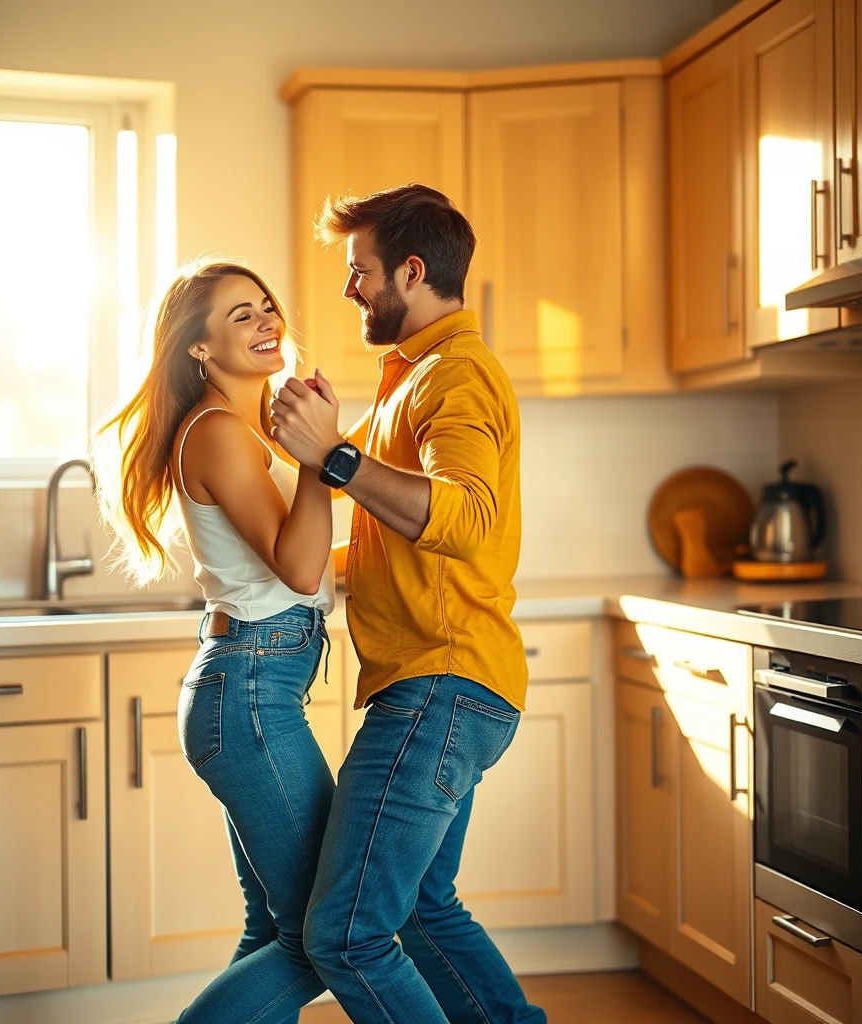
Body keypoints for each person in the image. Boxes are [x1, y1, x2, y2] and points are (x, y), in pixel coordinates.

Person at [270, 184, 548, 1023]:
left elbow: (464, 518)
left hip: (441, 687)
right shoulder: (417, 376)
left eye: (360, 271)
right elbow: (401, 543)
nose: (350, 289)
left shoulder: (455, 375)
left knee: (348, 936)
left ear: (411, 271)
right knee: (424, 909)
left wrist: (337, 459)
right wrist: (294, 564)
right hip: (449, 686)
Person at [95, 259, 337, 1023]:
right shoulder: (220, 431)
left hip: (252, 691)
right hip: (251, 695)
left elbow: (300, 565)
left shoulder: (239, 431)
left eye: (267, 306)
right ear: (198, 347)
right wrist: (323, 460)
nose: (267, 322)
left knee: (274, 930)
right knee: (321, 938)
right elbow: (300, 568)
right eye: (241, 314)